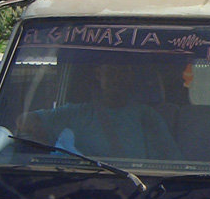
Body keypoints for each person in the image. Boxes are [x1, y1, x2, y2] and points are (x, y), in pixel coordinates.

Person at [17, 62, 180, 160]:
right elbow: (25, 120)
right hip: (86, 186)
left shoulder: (146, 116)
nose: (116, 79)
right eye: (111, 73)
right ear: (98, 75)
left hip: (137, 188)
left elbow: (169, 162)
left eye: (122, 73)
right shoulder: (76, 113)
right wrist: (40, 136)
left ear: (130, 77)